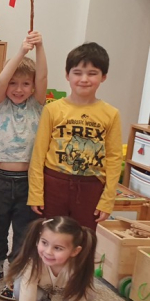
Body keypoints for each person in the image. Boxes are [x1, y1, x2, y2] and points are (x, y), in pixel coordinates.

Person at [0, 32, 47, 300]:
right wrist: (21, 51)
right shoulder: (0, 104)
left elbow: (42, 77)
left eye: (25, 84)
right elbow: (0, 80)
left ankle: (15, 274)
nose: (18, 89)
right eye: (14, 83)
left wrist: (39, 48)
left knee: (23, 230)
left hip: (27, 180)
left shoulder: (38, 106)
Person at [28, 43, 122, 231]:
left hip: (91, 186)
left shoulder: (111, 114)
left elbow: (114, 158)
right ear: (67, 75)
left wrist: (107, 200)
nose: (84, 79)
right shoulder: (52, 109)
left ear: (103, 77)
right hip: (54, 183)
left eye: (92, 73)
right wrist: (36, 193)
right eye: (77, 73)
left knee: (84, 237)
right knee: (51, 234)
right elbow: (38, 154)